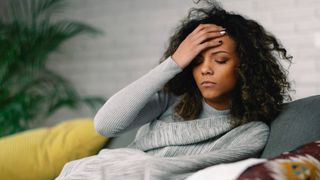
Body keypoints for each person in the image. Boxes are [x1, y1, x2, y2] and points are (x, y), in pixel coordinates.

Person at [56, 1, 292, 179]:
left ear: (246, 68)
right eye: (196, 62)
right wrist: (173, 63)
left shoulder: (251, 132)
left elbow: (192, 170)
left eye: (219, 60)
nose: (205, 70)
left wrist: (131, 167)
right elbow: (105, 125)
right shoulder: (172, 101)